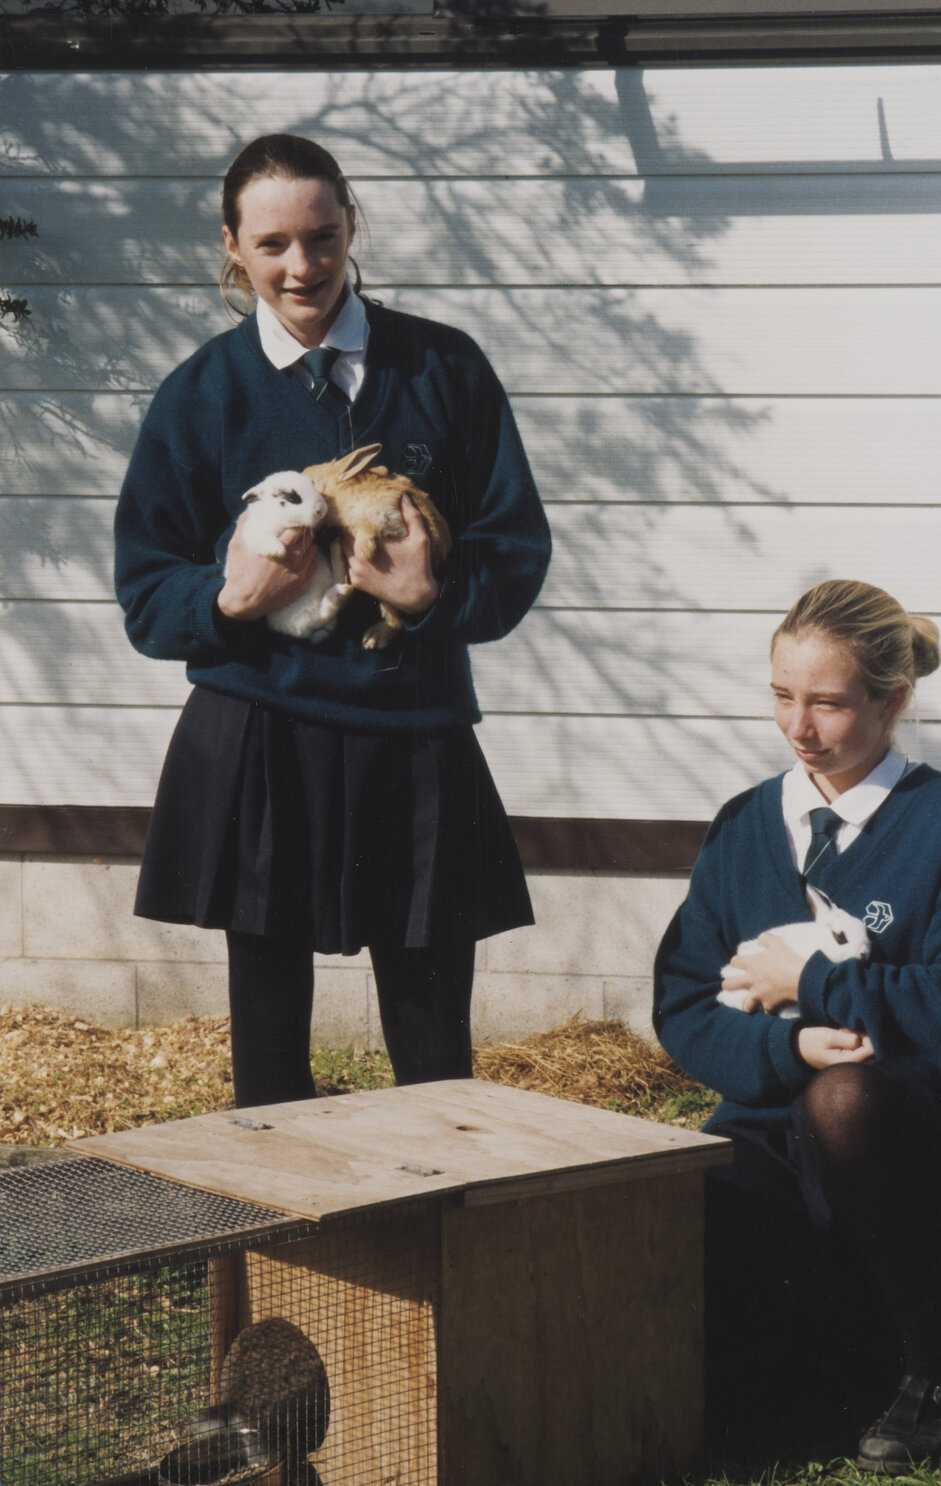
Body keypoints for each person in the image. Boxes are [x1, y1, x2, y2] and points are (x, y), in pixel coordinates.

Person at [115, 133, 551, 1108]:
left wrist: (429, 595)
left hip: (416, 733)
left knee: (435, 1047)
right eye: (271, 244)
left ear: (351, 223)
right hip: (259, 734)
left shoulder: (446, 367)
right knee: (268, 1052)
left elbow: (516, 552)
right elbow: (148, 594)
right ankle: (287, 1258)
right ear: (232, 246)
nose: (302, 266)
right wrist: (231, 601)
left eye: (320, 236)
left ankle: (436, 1241)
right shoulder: (200, 396)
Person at [653, 579, 941, 1472]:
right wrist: (786, 1043)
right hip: (773, 1127)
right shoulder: (744, 827)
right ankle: (818, 1370)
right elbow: (684, 1003)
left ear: (892, 700)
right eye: (780, 696)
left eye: (828, 704)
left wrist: (813, 981)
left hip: (920, 1138)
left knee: (844, 1100)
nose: (798, 727)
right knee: (665, 1197)